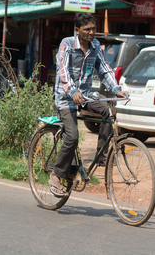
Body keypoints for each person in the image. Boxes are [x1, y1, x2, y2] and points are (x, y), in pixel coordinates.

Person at [50, 13, 128, 197]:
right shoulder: (67, 44)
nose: (92, 32)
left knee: (106, 112)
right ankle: (56, 174)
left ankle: (101, 158)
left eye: (94, 28)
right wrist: (72, 92)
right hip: (66, 98)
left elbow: (105, 69)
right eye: (87, 29)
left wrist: (116, 89)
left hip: (85, 96)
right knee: (73, 136)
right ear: (77, 30)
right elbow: (63, 73)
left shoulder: (95, 47)